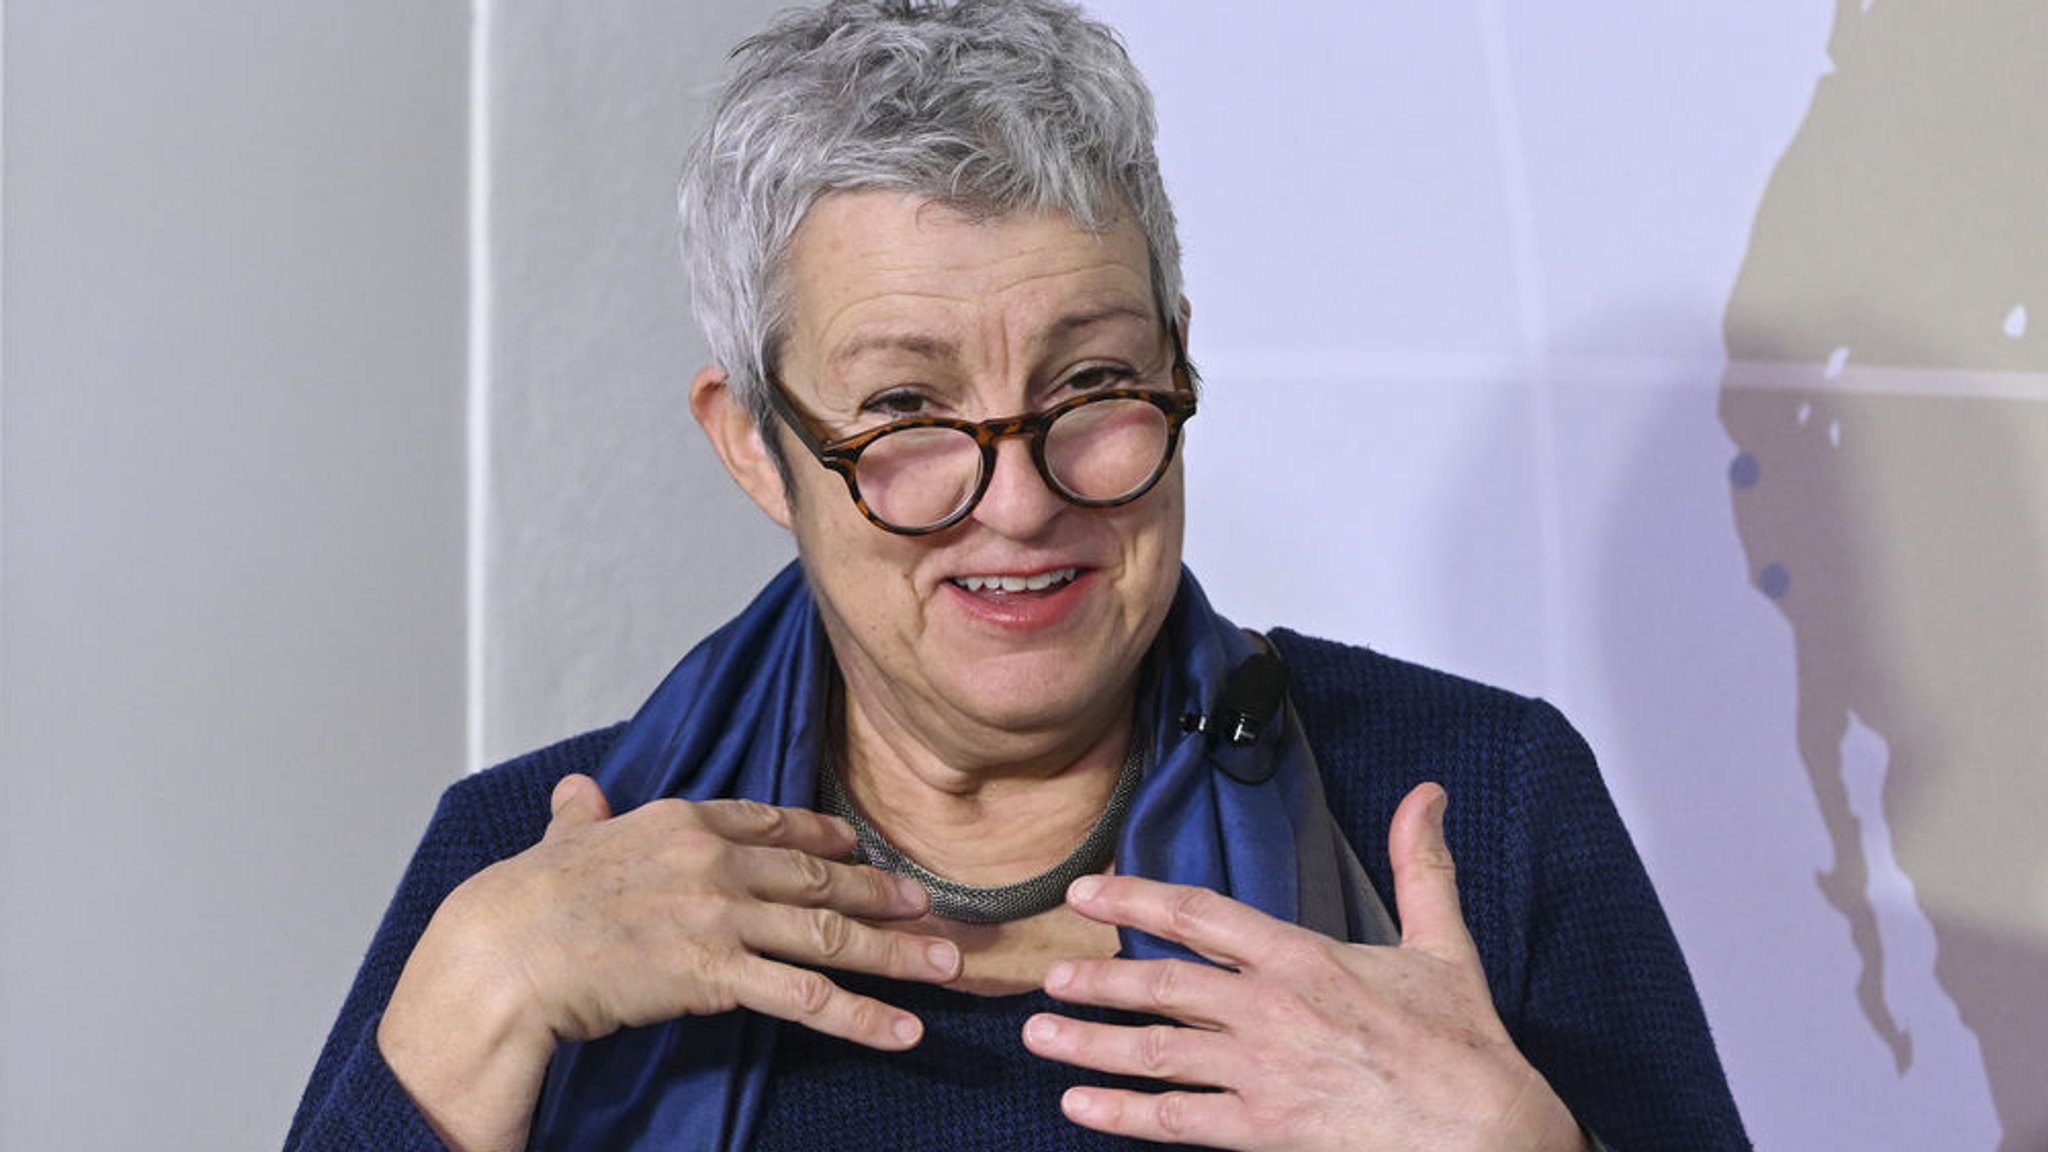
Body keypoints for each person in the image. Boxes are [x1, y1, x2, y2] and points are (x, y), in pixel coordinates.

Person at [286, 2, 1748, 1150]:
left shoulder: (1475, 812)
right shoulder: (531, 875)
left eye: (1094, 382)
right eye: (909, 413)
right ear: (752, 446)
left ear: (1183, 365)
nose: (1023, 501)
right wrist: (468, 1003)